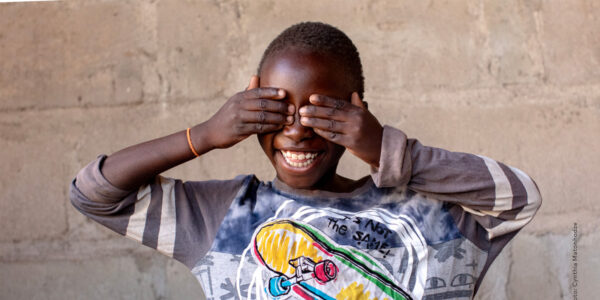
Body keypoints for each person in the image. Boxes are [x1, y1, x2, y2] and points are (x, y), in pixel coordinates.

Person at [70, 22, 541, 300]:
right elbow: (96, 194)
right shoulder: (223, 214)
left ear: (356, 111)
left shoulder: (423, 213)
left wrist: (388, 151)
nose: (296, 129)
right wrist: (205, 136)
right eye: (276, 110)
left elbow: (520, 199)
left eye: (321, 112)